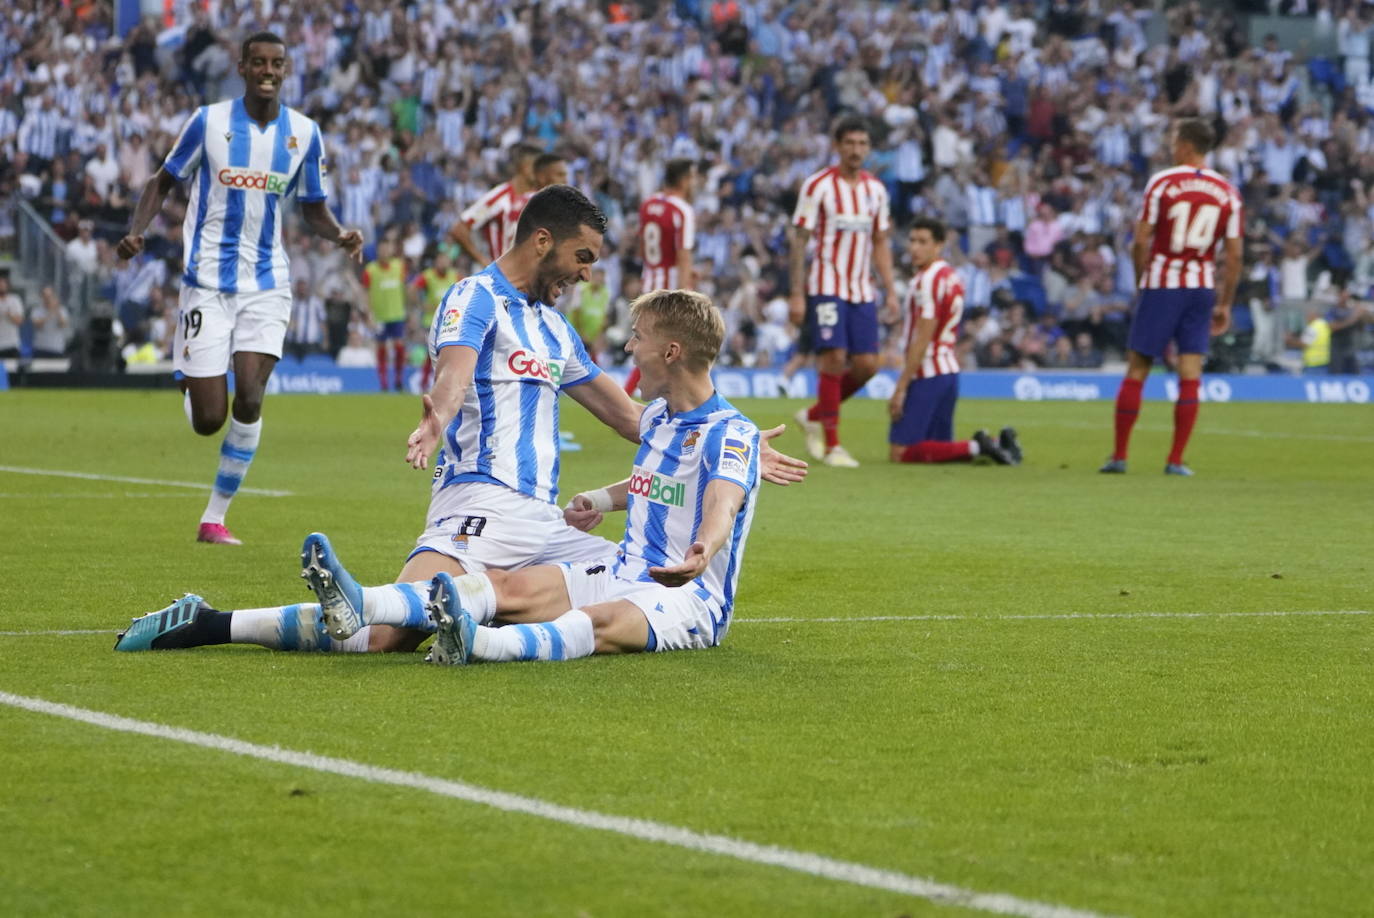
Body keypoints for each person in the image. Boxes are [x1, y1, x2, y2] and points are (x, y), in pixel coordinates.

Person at [113, 186, 804, 655]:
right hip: (478, 498)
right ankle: (210, 624)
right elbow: (452, 369)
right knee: (388, 636)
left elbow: (633, 419)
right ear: (542, 242)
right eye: (582, 257)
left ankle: (381, 612)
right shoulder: (475, 297)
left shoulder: (554, 329)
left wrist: (722, 441)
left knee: (620, 580)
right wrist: (436, 419)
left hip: (543, 522)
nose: (587, 273)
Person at [116, 31, 363, 544]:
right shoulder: (209, 121)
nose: (268, 71)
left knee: (249, 397)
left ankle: (215, 517)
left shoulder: (303, 133)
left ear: (286, 69)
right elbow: (162, 181)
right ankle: (190, 377)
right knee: (209, 419)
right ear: (243, 67)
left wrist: (339, 234)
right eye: (259, 63)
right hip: (205, 281)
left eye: (277, 63)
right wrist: (137, 230)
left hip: (267, 283)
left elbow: (312, 206)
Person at [1100, 119, 1242, 477]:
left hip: (1163, 283)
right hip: (1201, 287)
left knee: (1138, 367)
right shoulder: (1228, 192)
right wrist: (1224, 302)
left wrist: (1140, 281)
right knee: (1190, 371)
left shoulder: (1163, 182)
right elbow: (1236, 255)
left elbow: (1141, 240)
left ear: (1185, 146)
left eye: (1174, 139)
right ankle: (1175, 460)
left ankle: (1119, 456)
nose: (1171, 145)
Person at [789, 116, 899, 468]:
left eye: (862, 144)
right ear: (837, 146)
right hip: (826, 284)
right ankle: (833, 445)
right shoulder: (817, 185)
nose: (856, 150)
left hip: (862, 289)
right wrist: (796, 293)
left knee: (867, 366)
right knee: (834, 358)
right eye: (849, 143)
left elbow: (880, 242)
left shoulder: (875, 191)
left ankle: (814, 414)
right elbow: (799, 240)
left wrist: (891, 290)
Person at [887, 218, 1019, 467]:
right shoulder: (951, 276)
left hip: (927, 371)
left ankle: (980, 445)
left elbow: (923, 337)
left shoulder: (926, 280)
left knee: (901, 452)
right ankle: (996, 444)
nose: (914, 247)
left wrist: (901, 386)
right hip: (948, 371)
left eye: (923, 242)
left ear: (938, 245)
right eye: (912, 241)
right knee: (939, 449)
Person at [624, 157, 698, 396]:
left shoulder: (648, 204)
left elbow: (644, 248)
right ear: (685, 180)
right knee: (669, 345)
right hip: (670, 285)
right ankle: (627, 395)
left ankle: (669, 396)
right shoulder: (682, 210)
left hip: (650, 279)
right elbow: (683, 255)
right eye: (693, 178)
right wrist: (684, 291)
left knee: (654, 342)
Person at [445, 145, 569, 266]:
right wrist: (484, 262)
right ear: (524, 167)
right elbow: (459, 230)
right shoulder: (499, 197)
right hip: (500, 277)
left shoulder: (535, 198)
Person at [409, 246, 460, 390]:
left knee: (448, 354)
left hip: (450, 322)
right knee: (431, 353)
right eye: (441, 260)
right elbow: (412, 289)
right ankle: (425, 383)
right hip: (430, 321)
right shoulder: (428, 276)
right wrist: (421, 305)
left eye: (446, 260)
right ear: (436, 261)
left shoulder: (455, 276)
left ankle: (442, 383)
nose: (443, 263)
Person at [361, 236, 408, 391]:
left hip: (397, 314)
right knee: (381, 348)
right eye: (381, 249)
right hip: (380, 316)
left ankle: (399, 379)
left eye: (387, 248)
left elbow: (405, 289)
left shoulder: (399, 266)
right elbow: (366, 294)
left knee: (399, 346)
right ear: (377, 251)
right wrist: (369, 315)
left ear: (391, 250)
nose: (384, 251)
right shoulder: (370, 270)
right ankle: (383, 383)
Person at [30, 285, 72, 357]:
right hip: (40, 347)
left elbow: (63, 324)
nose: (47, 299)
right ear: (42, 297)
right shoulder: (36, 310)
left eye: (49, 296)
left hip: (56, 348)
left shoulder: (62, 310)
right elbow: (37, 325)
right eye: (45, 296)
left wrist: (57, 311)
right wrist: (50, 313)